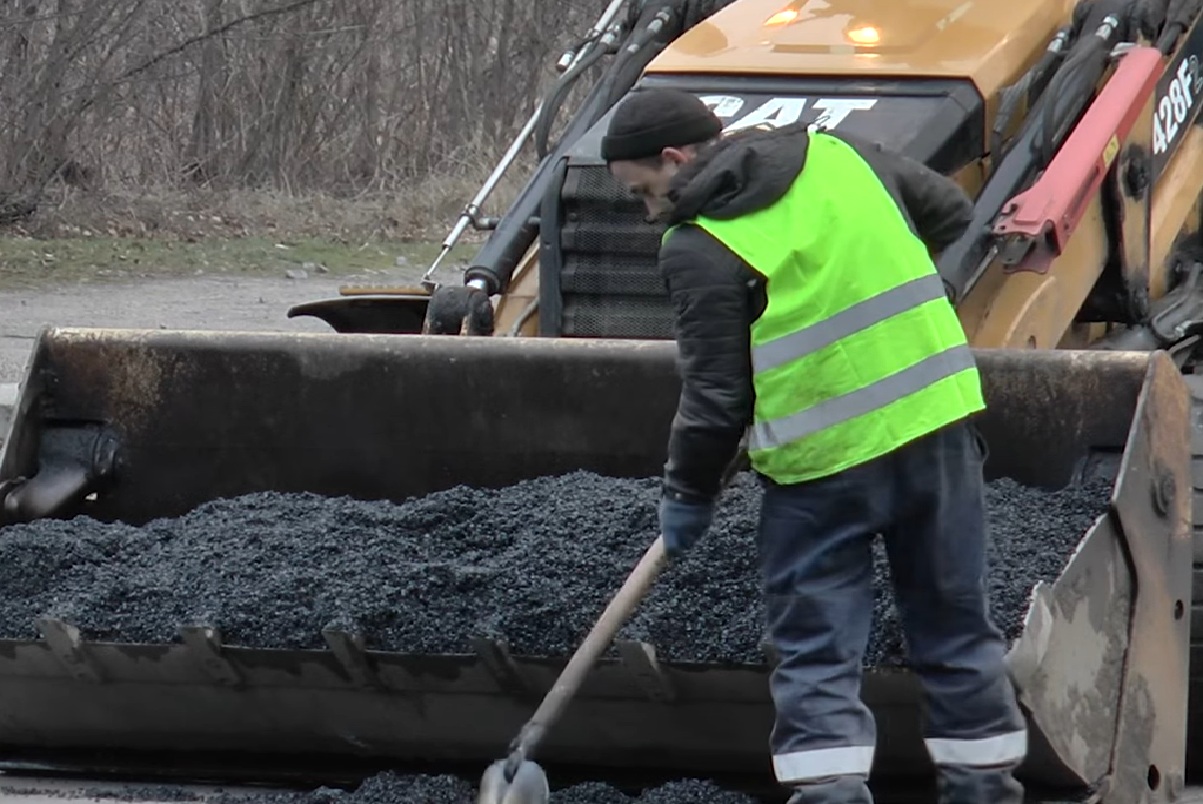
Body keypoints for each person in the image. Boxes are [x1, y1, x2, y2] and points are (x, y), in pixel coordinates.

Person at [600, 87, 1029, 804]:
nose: (650, 210)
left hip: (820, 475)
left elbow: (714, 401)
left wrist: (686, 494)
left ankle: (828, 796)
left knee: (816, 653)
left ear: (675, 157)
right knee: (955, 623)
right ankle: (984, 790)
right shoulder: (837, 155)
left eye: (643, 191)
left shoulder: (698, 244)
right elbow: (951, 213)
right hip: (936, 431)